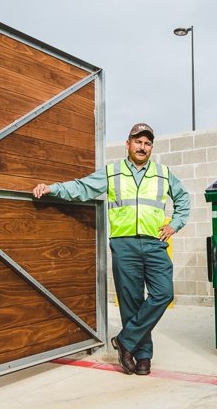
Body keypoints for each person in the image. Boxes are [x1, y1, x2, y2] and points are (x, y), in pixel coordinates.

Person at [32, 123, 190, 376]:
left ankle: (125, 340)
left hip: (155, 243)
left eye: (147, 143)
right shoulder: (112, 172)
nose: (142, 147)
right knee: (131, 302)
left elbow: (183, 199)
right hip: (124, 244)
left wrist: (175, 224)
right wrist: (54, 188)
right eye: (137, 141)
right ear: (127, 144)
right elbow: (82, 187)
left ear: (151, 147)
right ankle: (143, 355)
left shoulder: (163, 173)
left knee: (164, 294)